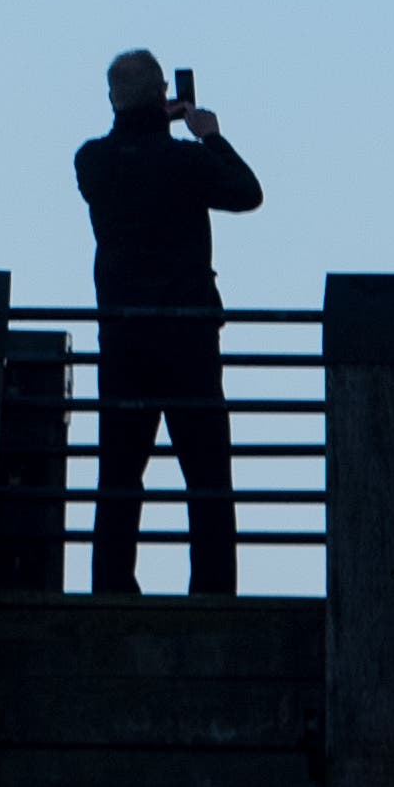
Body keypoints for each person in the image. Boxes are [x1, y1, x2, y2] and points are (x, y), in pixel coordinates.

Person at [75, 49, 262, 597]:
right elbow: (247, 192)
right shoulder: (186, 161)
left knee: (119, 476)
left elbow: (128, 153)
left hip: (123, 339)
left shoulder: (93, 162)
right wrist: (207, 133)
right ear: (163, 95)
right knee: (206, 476)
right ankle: (212, 592)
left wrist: (153, 116)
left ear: (112, 99)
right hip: (188, 340)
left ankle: (110, 589)